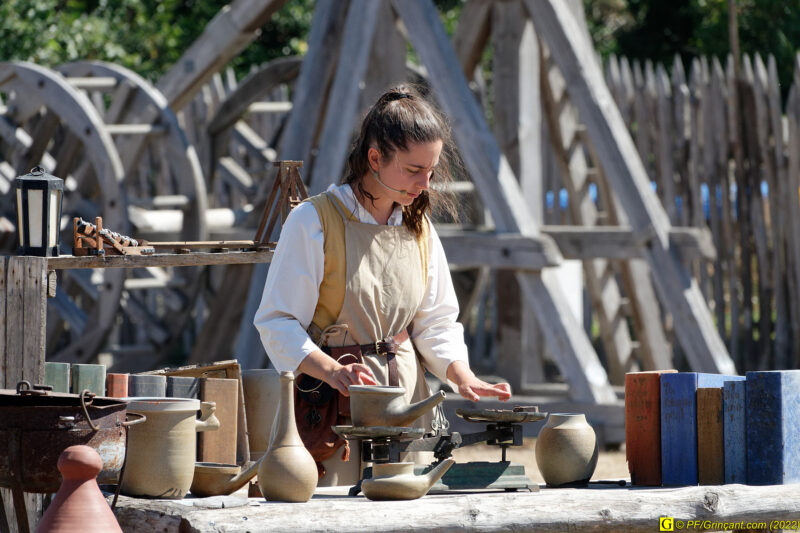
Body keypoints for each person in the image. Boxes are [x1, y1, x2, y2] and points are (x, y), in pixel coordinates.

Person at [254, 85, 511, 486]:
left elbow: (436, 323)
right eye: (412, 170)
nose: (424, 184)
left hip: (407, 402)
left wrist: (461, 374)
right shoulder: (314, 221)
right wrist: (333, 371)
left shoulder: (418, 227)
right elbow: (277, 322)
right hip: (333, 410)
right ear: (374, 158)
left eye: (431, 171)